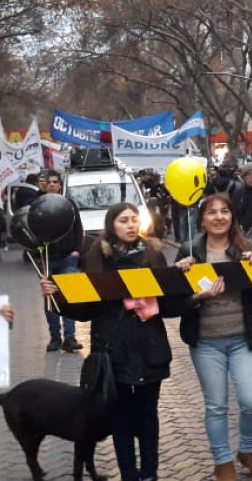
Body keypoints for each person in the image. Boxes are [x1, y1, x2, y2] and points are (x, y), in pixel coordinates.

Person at [41, 203, 189, 481]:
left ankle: (149, 474)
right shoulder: (94, 258)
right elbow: (84, 311)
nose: (131, 225)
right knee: (120, 419)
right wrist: (55, 298)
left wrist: (184, 280)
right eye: (124, 220)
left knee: (147, 417)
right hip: (112, 354)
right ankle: (129, 474)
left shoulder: (153, 254)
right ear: (112, 225)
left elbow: (169, 305)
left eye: (135, 219)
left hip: (149, 350)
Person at [175, 194, 252, 481]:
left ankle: (248, 450)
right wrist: (195, 293)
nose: (219, 217)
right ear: (201, 220)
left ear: (232, 217)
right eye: (212, 213)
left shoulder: (248, 248)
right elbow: (175, 303)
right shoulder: (189, 252)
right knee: (216, 405)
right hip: (206, 342)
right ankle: (222, 460)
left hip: (243, 338)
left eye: (224, 211)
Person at [40, 169, 84, 353]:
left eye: (55, 182)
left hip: (68, 258)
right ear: (43, 185)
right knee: (50, 298)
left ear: (60, 185)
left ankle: (70, 337)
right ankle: (55, 337)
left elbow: (78, 229)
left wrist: (76, 251)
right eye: (49, 182)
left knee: (69, 296)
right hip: (48, 259)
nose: (52, 185)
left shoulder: (69, 204)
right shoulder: (38, 205)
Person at [231, 163, 252, 237]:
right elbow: (234, 214)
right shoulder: (238, 193)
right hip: (243, 233)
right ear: (243, 177)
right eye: (248, 174)